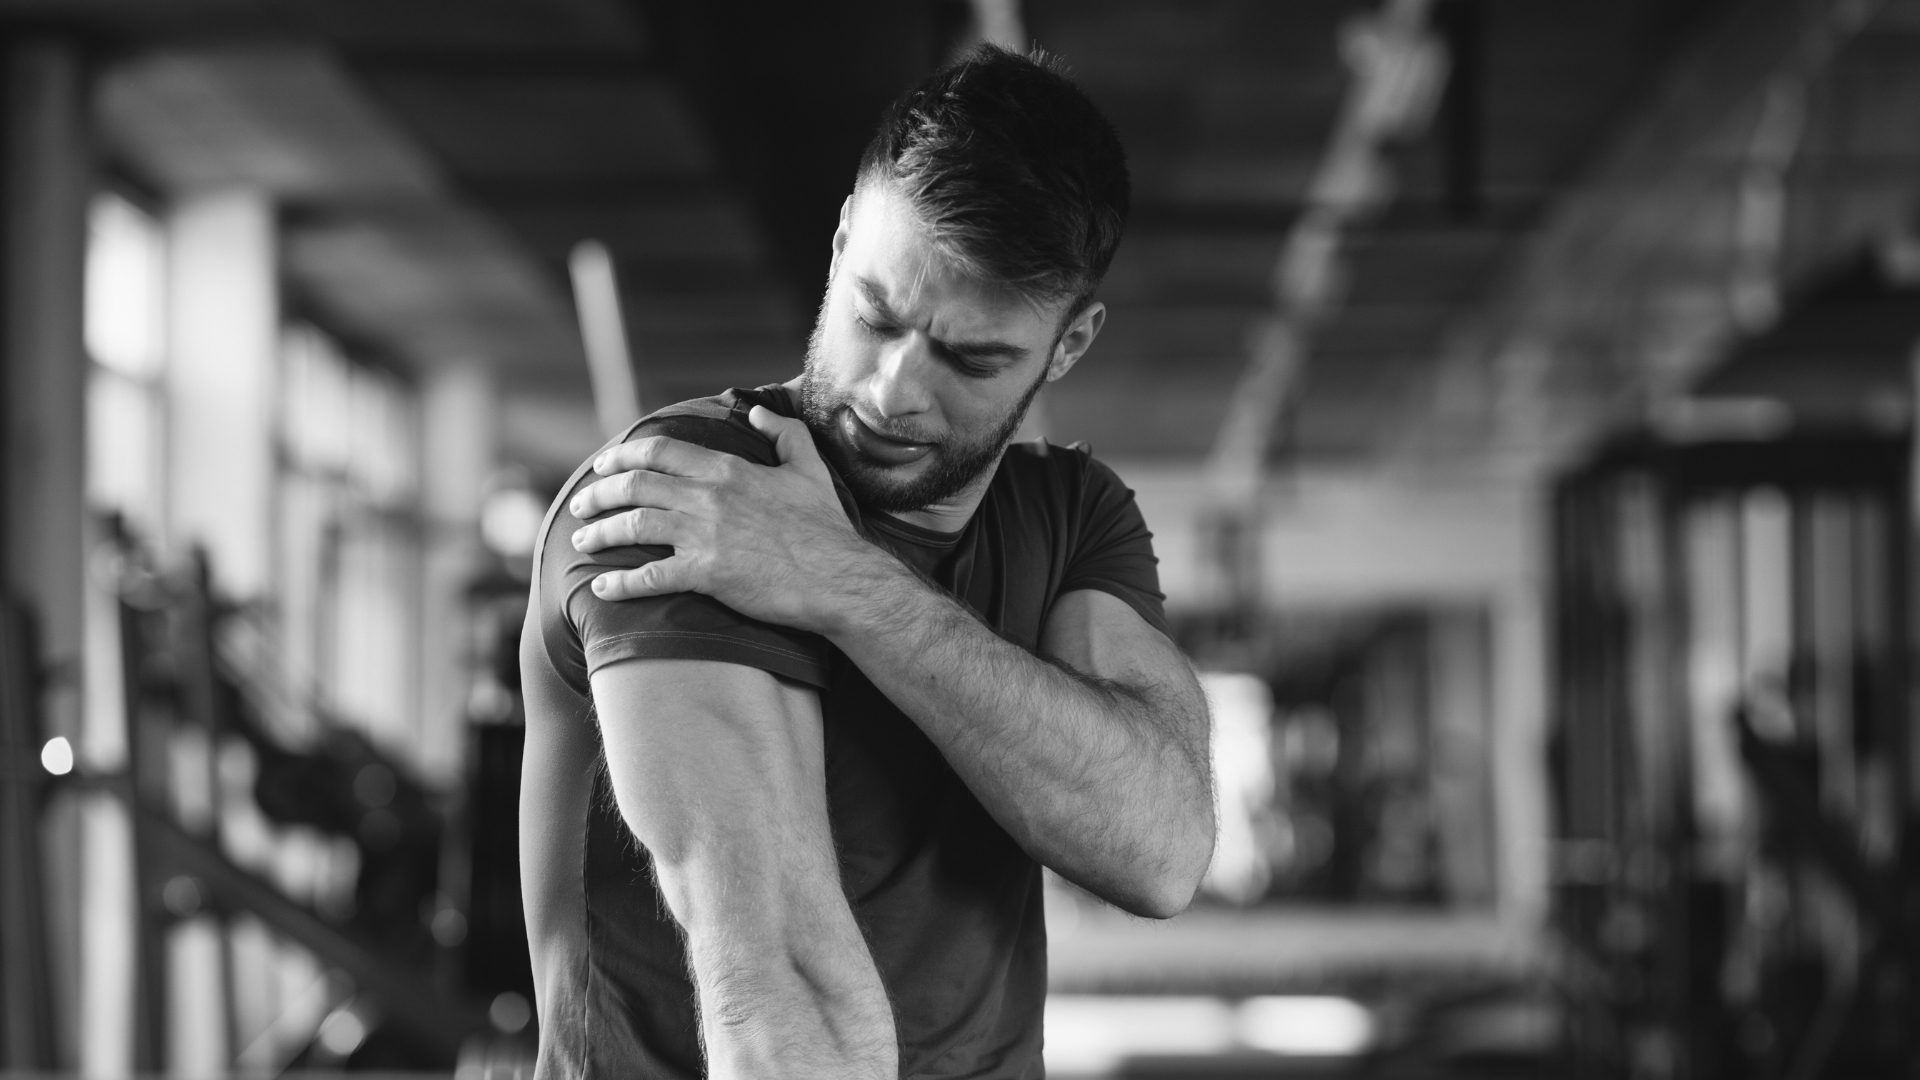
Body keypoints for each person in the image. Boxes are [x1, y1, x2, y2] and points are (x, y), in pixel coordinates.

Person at [519, 44, 1214, 1080]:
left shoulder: (1069, 513)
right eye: (875, 316)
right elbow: (776, 988)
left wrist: (848, 587)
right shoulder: (694, 491)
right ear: (843, 242)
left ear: (1068, 347)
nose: (893, 391)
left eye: (972, 358)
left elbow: (1160, 849)